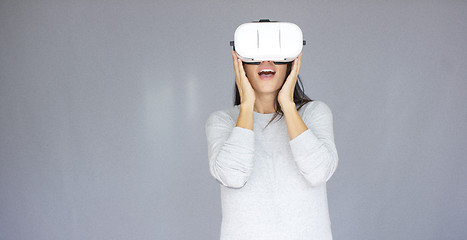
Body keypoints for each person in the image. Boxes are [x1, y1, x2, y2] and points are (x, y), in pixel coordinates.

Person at [205, 49, 339, 239]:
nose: (266, 61)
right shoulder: (223, 121)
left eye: (276, 54)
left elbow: (318, 172)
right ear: (240, 64)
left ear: (290, 63)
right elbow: (232, 176)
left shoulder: (313, 113)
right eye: (255, 55)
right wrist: (247, 106)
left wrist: (288, 104)